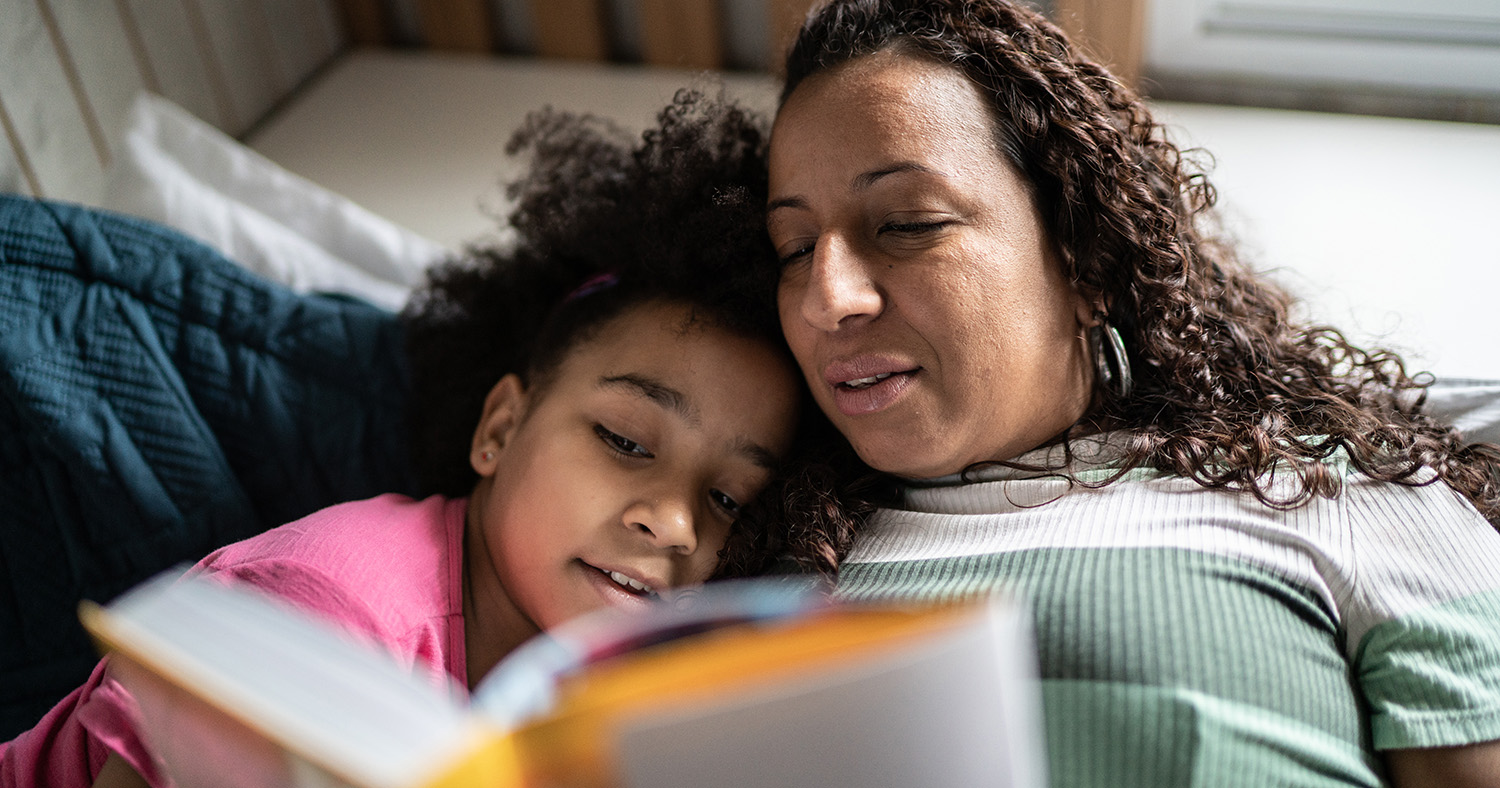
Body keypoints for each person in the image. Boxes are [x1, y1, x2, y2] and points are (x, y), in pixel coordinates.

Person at [0, 90, 868, 788]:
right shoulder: (321, 611)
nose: (674, 524)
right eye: (625, 440)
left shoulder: (590, 695)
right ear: (500, 427)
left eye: (726, 500)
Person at [762, 1, 1500, 786]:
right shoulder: (771, 555)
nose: (826, 296)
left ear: (1085, 261)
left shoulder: (1345, 494)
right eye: (795, 248)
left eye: (907, 224)